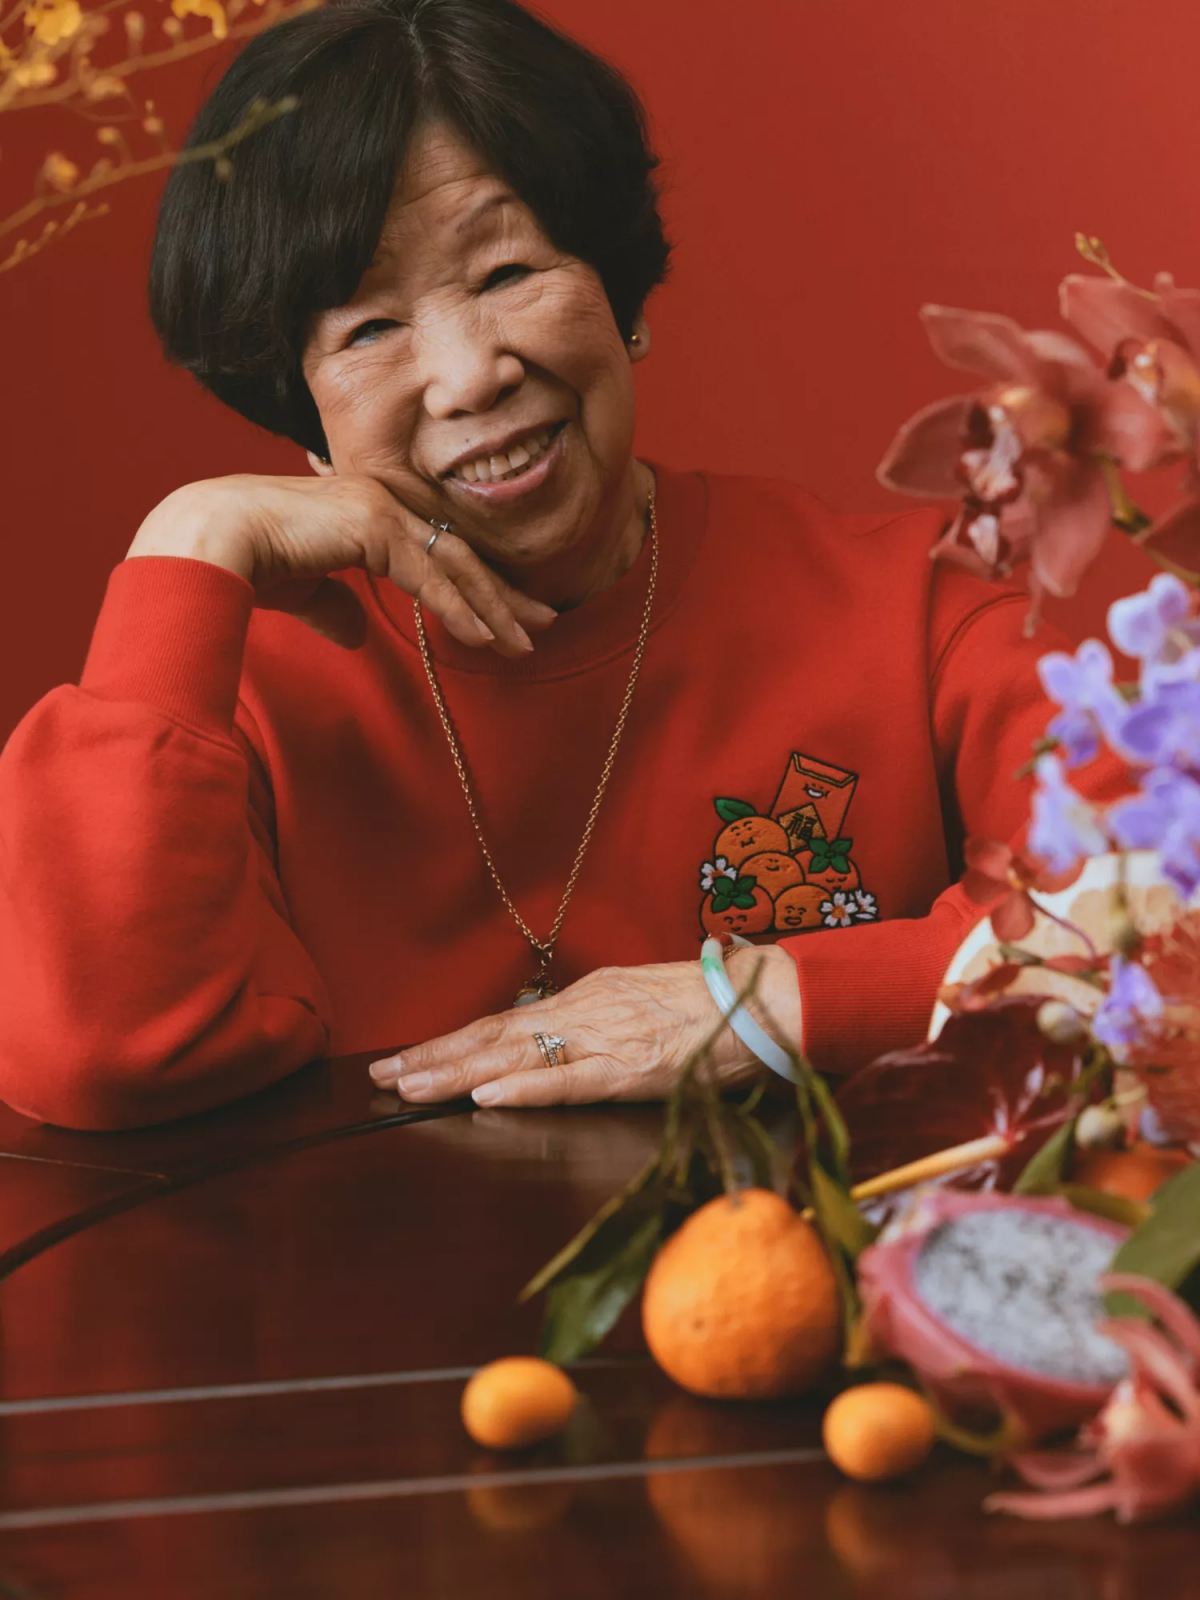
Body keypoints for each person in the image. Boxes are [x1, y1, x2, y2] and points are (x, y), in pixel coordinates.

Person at [0, 0, 1116, 1130]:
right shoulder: (233, 702)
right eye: (368, 329)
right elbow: (93, 1052)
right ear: (305, 420)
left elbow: (1159, 922)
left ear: (621, 300)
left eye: (504, 272)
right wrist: (186, 541)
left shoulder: (913, 612)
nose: (469, 375)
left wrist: (767, 1001)